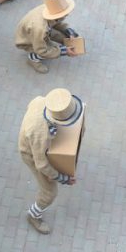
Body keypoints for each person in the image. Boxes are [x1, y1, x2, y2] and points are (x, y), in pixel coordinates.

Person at [19, 87, 83, 233]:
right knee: (49, 192)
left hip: (38, 138)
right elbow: (41, 165)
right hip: (31, 154)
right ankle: (33, 216)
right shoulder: (41, 135)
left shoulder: (40, 101)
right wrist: (63, 178)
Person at [13, 0, 80, 73]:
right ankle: (32, 59)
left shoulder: (51, 7)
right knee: (47, 51)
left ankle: (62, 43)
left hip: (39, 31)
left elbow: (57, 22)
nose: (67, 14)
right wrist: (63, 51)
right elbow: (42, 50)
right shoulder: (40, 28)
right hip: (28, 39)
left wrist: (69, 31)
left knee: (59, 37)